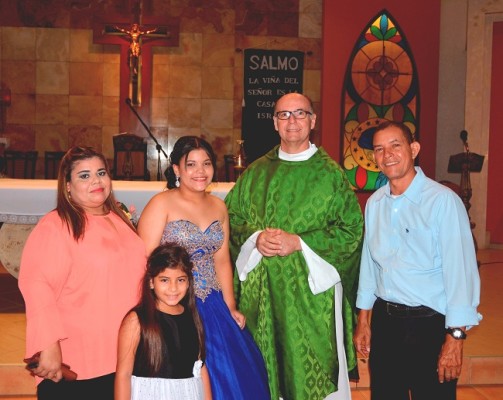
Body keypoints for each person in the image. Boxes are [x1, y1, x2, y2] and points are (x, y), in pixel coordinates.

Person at [225, 92, 364, 400]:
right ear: (274, 123)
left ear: (312, 121)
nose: (292, 121)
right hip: (264, 296)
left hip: (313, 296)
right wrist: (255, 238)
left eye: (300, 114)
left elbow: (351, 230)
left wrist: (300, 242)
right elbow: (231, 220)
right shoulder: (256, 172)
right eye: (284, 115)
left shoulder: (331, 174)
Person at [353, 120, 481, 400]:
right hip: (386, 324)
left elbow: (461, 274)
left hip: (429, 325)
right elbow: (369, 264)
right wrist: (363, 319)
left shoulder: (442, 201)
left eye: (395, 145)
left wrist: (455, 338)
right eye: (379, 149)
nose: (387, 155)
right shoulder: (375, 203)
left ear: (414, 148)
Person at [137, 136, 270, 399]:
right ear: (177, 169)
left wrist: (230, 306)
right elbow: (146, 261)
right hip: (174, 304)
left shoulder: (219, 206)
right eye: (192, 165)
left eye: (206, 164)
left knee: (235, 371)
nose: (201, 172)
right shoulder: (160, 204)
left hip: (213, 303)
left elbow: (221, 260)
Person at [18, 146, 146, 400]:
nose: (96, 181)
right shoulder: (56, 225)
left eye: (101, 172)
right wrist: (47, 344)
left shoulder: (118, 217)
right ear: (67, 185)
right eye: (84, 176)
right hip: (80, 356)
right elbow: (36, 285)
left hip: (126, 350)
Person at [115, 243, 212, 400]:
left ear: (188, 282)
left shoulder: (192, 316)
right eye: (165, 280)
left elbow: (200, 367)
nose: (173, 288)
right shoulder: (136, 320)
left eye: (180, 280)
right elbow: (123, 375)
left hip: (189, 394)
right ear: (151, 282)